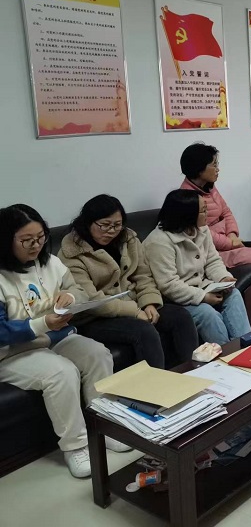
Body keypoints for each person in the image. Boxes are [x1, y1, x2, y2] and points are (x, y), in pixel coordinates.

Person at [0, 204, 130, 479]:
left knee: (98, 354)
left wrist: (70, 297)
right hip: (11, 352)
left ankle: (106, 426)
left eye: (40, 237)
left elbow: (76, 289)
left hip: (53, 338)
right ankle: (76, 446)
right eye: (26, 240)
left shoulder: (50, 262)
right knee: (61, 372)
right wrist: (43, 323)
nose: (36, 245)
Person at [58, 195, 198, 369]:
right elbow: (91, 300)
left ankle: (194, 373)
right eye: (104, 225)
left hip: (134, 304)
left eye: (117, 225)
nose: (111, 231)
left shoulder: (128, 239)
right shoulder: (71, 253)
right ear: (87, 222)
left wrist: (149, 303)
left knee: (180, 317)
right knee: (144, 331)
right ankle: (157, 384)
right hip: (95, 317)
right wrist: (135, 311)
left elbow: (143, 275)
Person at [179, 142, 251, 320]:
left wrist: (232, 234)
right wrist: (229, 243)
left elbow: (226, 212)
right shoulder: (187, 197)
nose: (218, 169)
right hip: (211, 252)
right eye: (214, 165)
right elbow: (202, 231)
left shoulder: (210, 186)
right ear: (199, 168)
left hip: (227, 242)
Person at [144, 190, 251, 345]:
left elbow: (212, 260)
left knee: (234, 295)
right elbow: (168, 285)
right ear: (187, 215)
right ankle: (226, 354)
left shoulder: (202, 229)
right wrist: (202, 297)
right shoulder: (159, 242)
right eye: (203, 211)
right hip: (174, 299)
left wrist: (223, 278)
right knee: (207, 314)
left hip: (202, 287)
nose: (208, 214)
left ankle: (249, 346)